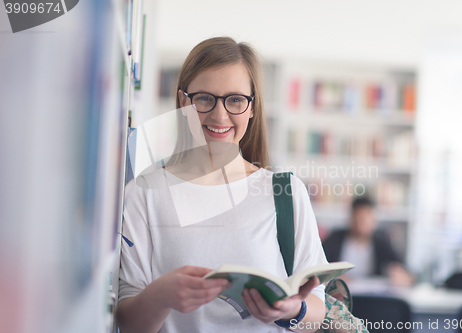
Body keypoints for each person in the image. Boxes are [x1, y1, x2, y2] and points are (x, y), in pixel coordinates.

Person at [116, 37, 329, 333]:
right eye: (204, 98)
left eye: (236, 100)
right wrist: (160, 297)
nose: (219, 114)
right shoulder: (143, 194)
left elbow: (318, 309)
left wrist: (294, 310)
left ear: (252, 107)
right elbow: (128, 325)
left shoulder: (286, 191)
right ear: (183, 102)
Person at [322, 196, 414, 286]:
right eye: (357, 219)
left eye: (365, 219)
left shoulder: (382, 242)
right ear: (350, 218)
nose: (360, 225)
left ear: (374, 220)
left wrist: (403, 277)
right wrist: (332, 277)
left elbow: (407, 273)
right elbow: (319, 268)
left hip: (373, 297)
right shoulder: (334, 240)